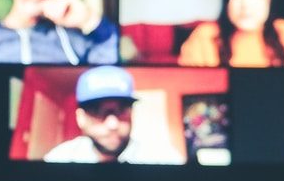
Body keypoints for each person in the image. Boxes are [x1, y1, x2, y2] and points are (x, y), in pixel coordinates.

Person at [41, 66, 182, 164]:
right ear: (80, 118)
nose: (113, 124)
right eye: (97, 111)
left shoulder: (163, 158)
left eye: (122, 110)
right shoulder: (60, 159)